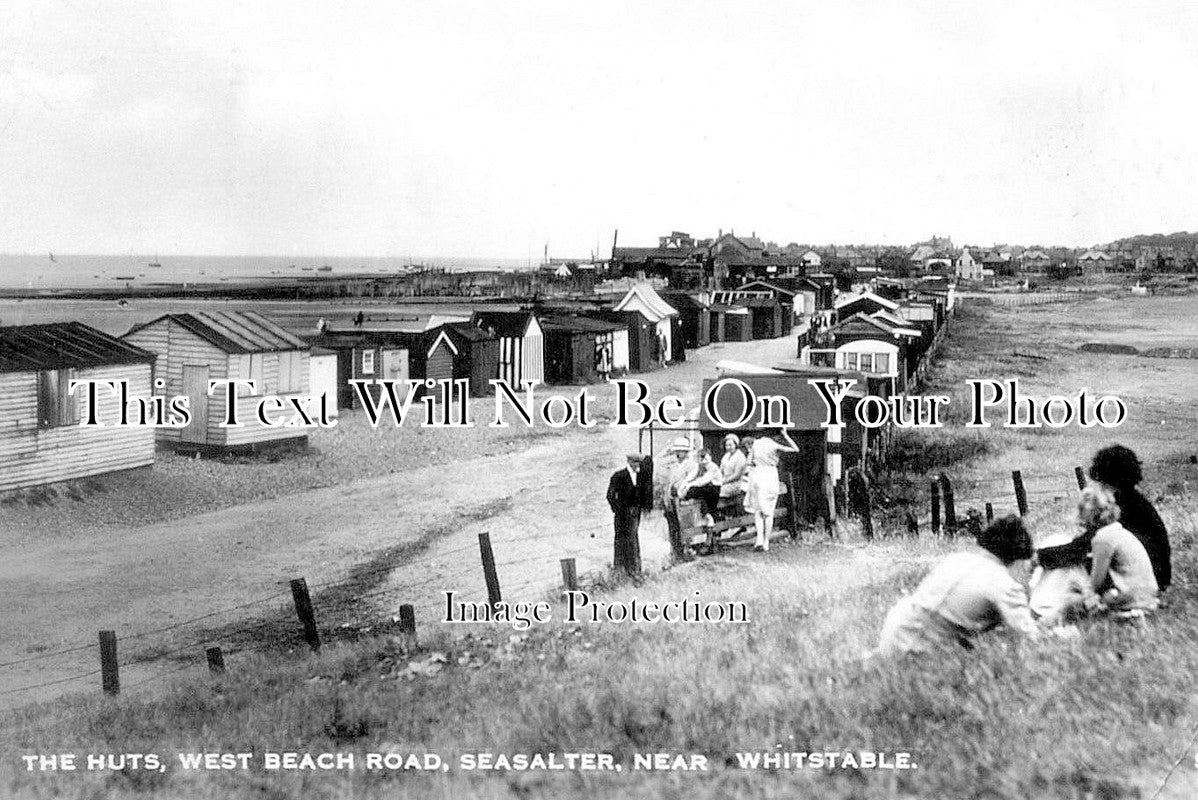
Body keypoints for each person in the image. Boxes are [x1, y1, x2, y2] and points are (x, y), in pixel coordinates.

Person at [875, 516, 1040, 656]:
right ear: (1017, 559)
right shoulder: (1005, 585)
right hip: (922, 650)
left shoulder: (956, 559)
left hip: (894, 630)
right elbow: (1029, 636)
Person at [1088, 445, 1171, 592]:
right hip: (1155, 577)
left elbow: (1085, 544)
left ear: (1107, 480)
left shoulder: (1115, 508)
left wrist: (1044, 556)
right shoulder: (1136, 502)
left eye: (1101, 482)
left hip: (1140, 583)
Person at [1078, 483, 1159, 614]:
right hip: (1148, 594)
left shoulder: (1102, 539)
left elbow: (1096, 582)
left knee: (1074, 602)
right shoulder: (1119, 531)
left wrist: (1085, 596)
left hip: (1131, 597)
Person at [745, 428, 800, 552]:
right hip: (770, 475)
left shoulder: (756, 444)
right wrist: (786, 436)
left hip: (757, 474)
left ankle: (759, 540)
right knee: (768, 512)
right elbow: (795, 449)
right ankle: (766, 542)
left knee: (758, 511)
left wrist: (757, 463)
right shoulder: (774, 445)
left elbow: (748, 462)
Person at [606, 454, 647, 577]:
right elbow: (610, 495)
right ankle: (620, 570)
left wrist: (639, 508)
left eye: (639, 463)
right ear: (629, 461)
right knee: (620, 540)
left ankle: (635, 570)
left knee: (633, 540)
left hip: (635, 514)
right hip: (621, 515)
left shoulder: (640, 476)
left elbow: (643, 494)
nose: (637, 465)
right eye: (635, 462)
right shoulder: (618, 476)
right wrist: (618, 510)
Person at [660, 437, 694, 561]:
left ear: (686, 452)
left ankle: (687, 549)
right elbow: (669, 483)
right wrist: (667, 496)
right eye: (677, 451)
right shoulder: (673, 466)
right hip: (672, 499)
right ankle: (675, 550)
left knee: (685, 525)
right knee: (672, 525)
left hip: (684, 499)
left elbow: (690, 482)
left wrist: (681, 492)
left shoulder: (691, 465)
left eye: (682, 451)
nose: (679, 453)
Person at [679, 448, 722, 525]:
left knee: (695, 489)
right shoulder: (700, 466)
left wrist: (690, 484)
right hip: (706, 487)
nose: (703, 460)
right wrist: (684, 483)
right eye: (701, 457)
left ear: (710, 457)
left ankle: (710, 517)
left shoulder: (713, 467)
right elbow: (692, 475)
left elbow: (704, 480)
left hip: (714, 488)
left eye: (705, 457)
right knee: (692, 490)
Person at [717, 434, 749, 515]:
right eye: (726, 445)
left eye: (730, 445)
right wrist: (718, 479)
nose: (728, 447)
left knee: (720, 491)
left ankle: (724, 512)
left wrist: (724, 481)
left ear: (735, 445)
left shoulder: (740, 457)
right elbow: (720, 470)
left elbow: (737, 475)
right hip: (724, 481)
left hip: (736, 483)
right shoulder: (726, 456)